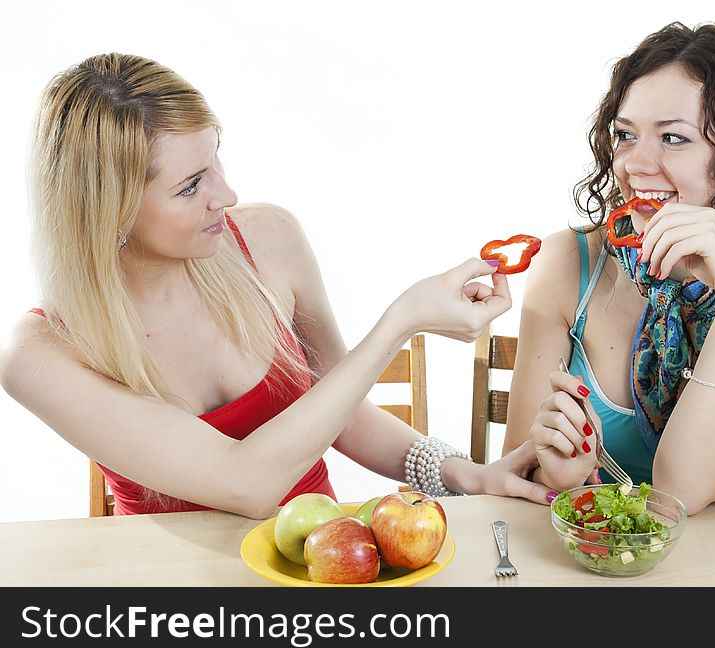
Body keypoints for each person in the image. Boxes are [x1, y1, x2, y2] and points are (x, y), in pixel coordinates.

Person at [0, 53, 554, 519]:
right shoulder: (41, 351)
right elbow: (247, 483)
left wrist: (466, 475)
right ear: (108, 211)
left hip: (320, 564)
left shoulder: (268, 239)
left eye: (217, 159)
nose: (228, 195)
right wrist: (402, 320)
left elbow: (342, 412)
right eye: (192, 186)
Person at [501, 22, 715, 515]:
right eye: (625, 134)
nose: (637, 165)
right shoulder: (569, 264)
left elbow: (682, 491)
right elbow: (518, 473)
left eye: (674, 138)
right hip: (585, 558)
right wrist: (562, 476)